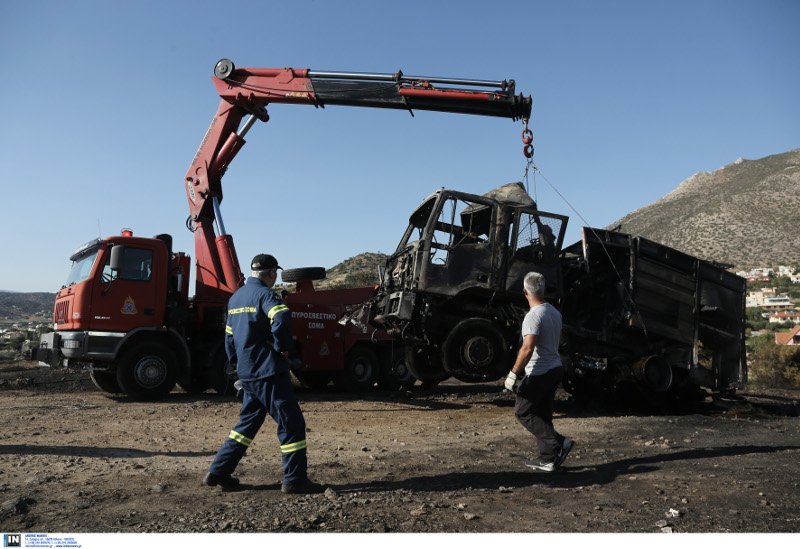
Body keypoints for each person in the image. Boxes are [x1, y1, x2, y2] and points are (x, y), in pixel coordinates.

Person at [203, 253, 322, 494]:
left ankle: (218, 471)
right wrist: (283, 348)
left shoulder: (236, 298)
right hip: (268, 372)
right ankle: (295, 480)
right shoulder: (266, 295)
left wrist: (237, 364)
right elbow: (281, 316)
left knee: (247, 424)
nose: (275, 278)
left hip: (247, 373)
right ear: (270, 274)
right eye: (275, 274)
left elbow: (229, 337)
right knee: (291, 424)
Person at [504, 271, 574, 472]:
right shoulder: (554, 312)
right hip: (555, 368)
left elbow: (527, 348)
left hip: (539, 372)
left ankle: (559, 443)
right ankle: (548, 459)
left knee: (523, 412)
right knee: (543, 414)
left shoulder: (533, 316)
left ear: (525, 292)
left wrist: (513, 374)